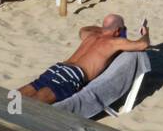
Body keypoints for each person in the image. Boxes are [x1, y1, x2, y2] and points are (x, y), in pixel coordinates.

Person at [17, 15, 151, 105]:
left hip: (57, 68)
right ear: (118, 30)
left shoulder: (91, 36)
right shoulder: (115, 42)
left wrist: (104, 29)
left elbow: (82, 30)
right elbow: (143, 45)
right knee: (39, 99)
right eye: (123, 29)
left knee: (26, 91)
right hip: (73, 74)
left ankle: (1, 112)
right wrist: (146, 33)